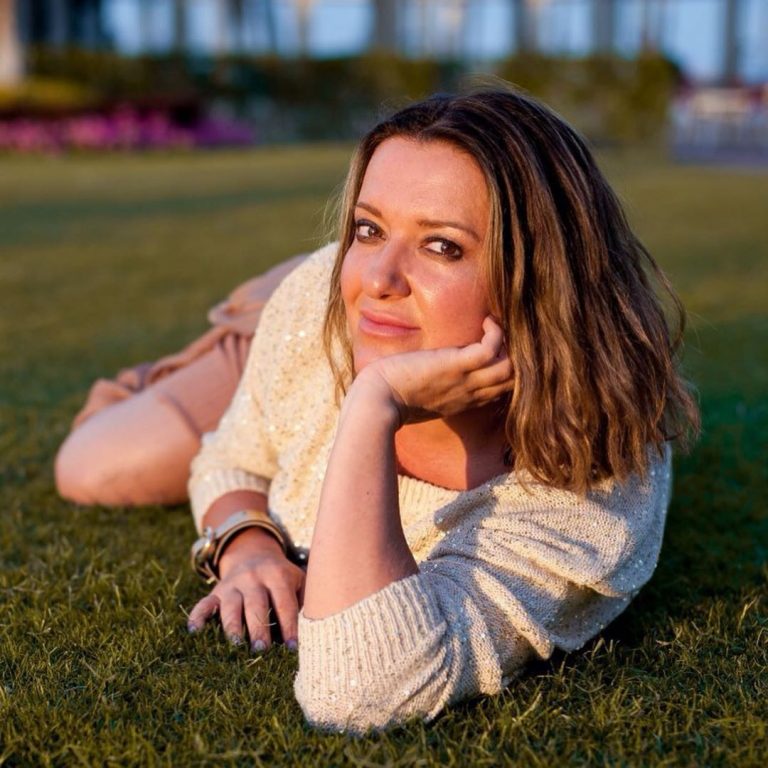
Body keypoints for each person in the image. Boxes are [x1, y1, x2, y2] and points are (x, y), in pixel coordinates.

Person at [61, 86, 699, 733]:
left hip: (356, 338)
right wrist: (248, 548)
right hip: (304, 322)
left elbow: (358, 692)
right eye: (368, 229)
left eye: (442, 246)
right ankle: (231, 336)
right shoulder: (323, 308)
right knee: (89, 467)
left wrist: (373, 404)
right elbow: (231, 456)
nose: (378, 278)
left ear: (540, 279)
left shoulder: (582, 509)